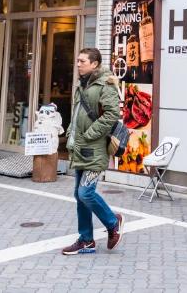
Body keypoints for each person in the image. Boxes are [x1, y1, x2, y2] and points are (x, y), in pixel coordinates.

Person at [61, 48, 124, 256]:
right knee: (79, 195)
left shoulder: (106, 84)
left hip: (94, 149)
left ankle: (112, 222)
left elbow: (112, 114)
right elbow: (77, 113)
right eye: (77, 61)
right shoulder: (82, 84)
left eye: (82, 61)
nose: (78, 64)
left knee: (85, 192)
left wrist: (89, 134)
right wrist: (71, 132)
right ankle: (86, 240)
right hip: (80, 148)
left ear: (94, 64)